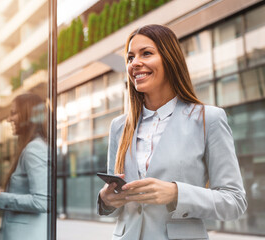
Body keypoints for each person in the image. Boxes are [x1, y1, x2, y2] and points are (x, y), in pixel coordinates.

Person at [98, 24, 247, 240]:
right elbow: (117, 198)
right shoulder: (119, 126)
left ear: (170, 59)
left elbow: (234, 201)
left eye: (146, 53)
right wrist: (106, 199)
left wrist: (177, 194)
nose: (134, 63)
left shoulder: (208, 119)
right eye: (130, 58)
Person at [0, 93, 48, 240]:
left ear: (27, 114)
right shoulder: (33, 147)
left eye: (13, 113)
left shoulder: (34, 149)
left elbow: (42, 201)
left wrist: (2, 197)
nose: (8, 119)